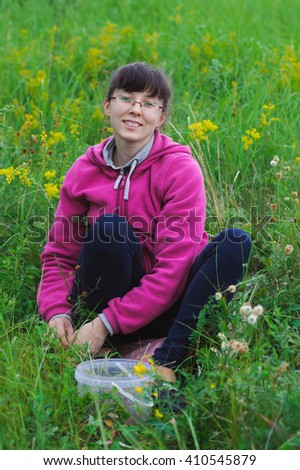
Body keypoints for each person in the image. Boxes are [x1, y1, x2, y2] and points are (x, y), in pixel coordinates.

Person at [37, 62, 251, 385]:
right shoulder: (84, 170)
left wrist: (108, 321)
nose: (136, 109)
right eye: (126, 98)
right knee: (110, 230)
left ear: (161, 117)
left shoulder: (180, 169)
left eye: (149, 103)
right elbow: (59, 255)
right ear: (107, 106)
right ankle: (109, 347)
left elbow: (174, 270)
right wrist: (57, 312)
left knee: (235, 243)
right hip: (106, 299)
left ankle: (166, 358)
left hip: (170, 307)